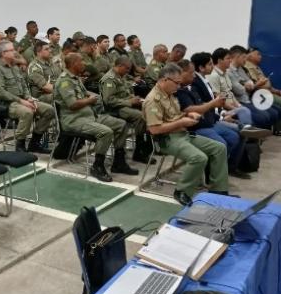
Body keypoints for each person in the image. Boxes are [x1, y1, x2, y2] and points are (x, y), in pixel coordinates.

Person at [143, 63, 229, 205]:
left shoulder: (168, 94)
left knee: (219, 148)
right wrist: (182, 122)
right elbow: (155, 129)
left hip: (182, 134)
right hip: (166, 139)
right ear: (165, 80)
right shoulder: (153, 100)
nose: (178, 86)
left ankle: (219, 191)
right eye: (176, 83)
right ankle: (182, 191)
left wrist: (188, 114)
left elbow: (174, 115)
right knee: (199, 158)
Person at [55, 53, 137, 181]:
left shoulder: (75, 79)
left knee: (121, 124)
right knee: (106, 132)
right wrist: (90, 100)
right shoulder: (65, 81)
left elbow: (85, 94)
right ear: (73, 64)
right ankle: (97, 166)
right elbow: (72, 104)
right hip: (74, 120)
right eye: (81, 61)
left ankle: (119, 162)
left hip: (89, 116)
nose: (84, 64)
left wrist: (94, 97)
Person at [175, 59, 246, 177]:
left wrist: (220, 114)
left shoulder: (191, 87)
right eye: (191, 73)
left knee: (235, 136)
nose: (194, 75)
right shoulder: (179, 91)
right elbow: (191, 109)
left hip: (210, 122)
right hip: (196, 127)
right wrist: (213, 103)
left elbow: (202, 105)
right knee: (221, 144)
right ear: (182, 73)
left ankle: (224, 168)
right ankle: (213, 174)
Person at [0, 40, 55, 153]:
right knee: (27, 112)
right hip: (7, 103)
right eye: (11, 50)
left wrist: (28, 97)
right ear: (4, 53)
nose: (15, 52)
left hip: (22, 100)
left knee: (49, 110)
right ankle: (20, 145)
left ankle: (35, 142)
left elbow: (23, 85)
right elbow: (0, 92)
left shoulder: (14, 67)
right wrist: (21, 101)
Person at [100, 57, 152, 163]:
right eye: (127, 69)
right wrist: (130, 102)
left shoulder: (120, 76)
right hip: (114, 109)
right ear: (119, 66)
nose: (128, 71)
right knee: (140, 116)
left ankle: (144, 147)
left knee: (149, 110)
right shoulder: (109, 79)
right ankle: (139, 151)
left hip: (124, 105)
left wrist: (135, 99)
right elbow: (109, 101)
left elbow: (126, 93)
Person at [228, 45, 279, 127]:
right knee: (263, 117)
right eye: (244, 57)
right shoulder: (229, 71)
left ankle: (264, 132)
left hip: (249, 98)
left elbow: (250, 82)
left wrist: (247, 85)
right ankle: (255, 135)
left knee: (274, 112)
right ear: (237, 57)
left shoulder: (241, 69)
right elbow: (240, 91)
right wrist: (250, 85)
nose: (245, 60)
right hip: (240, 101)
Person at [208, 48, 256, 128]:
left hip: (232, 106)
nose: (230, 61)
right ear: (220, 61)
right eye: (228, 58)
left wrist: (238, 105)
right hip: (224, 110)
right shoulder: (214, 76)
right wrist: (236, 108)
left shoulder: (225, 73)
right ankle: (247, 133)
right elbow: (218, 99)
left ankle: (248, 131)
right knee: (245, 111)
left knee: (245, 110)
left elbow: (230, 93)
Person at [245, 47, 281, 112]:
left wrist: (277, 91)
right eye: (258, 54)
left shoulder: (257, 67)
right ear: (249, 56)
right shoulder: (248, 67)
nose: (260, 56)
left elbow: (266, 84)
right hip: (260, 95)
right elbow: (258, 85)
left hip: (268, 93)